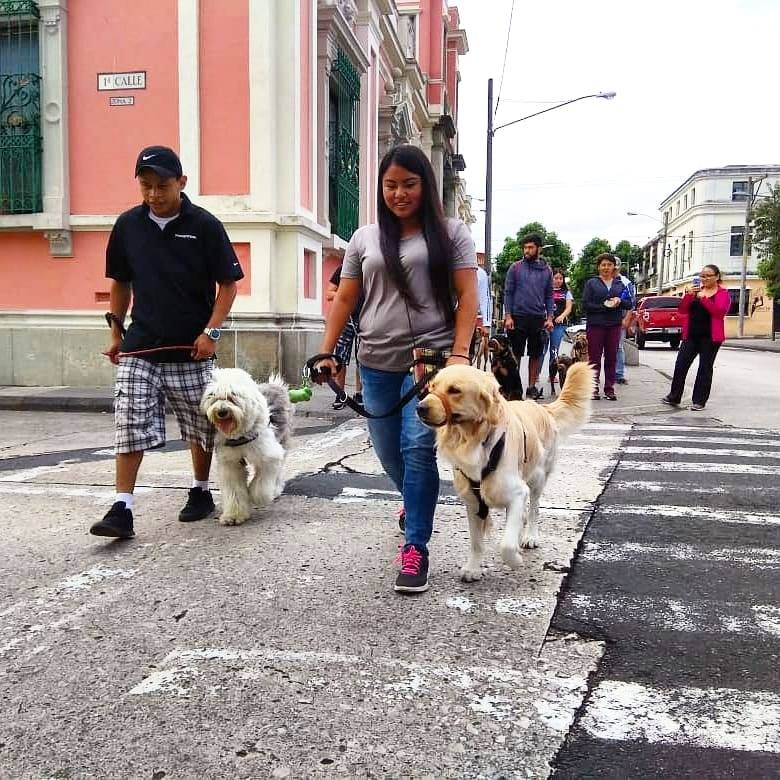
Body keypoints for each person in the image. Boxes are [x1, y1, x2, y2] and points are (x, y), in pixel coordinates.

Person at [313, 144, 478, 594]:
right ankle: (413, 501)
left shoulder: (453, 233)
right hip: (376, 361)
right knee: (387, 452)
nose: (399, 193)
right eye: (390, 185)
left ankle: (416, 547)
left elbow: (468, 297)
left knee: (417, 448)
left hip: (431, 360)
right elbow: (345, 299)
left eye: (409, 184)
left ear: (425, 185)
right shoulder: (365, 238)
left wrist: (460, 353)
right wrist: (327, 352)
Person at [90, 146, 244, 539]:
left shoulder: (205, 225)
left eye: (162, 186)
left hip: (191, 347)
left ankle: (200, 490)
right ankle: (122, 507)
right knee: (128, 421)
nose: (154, 195)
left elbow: (228, 284)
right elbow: (120, 282)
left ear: (181, 183)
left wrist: (211, 333)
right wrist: (115, 331)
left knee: (200, 426)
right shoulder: (127, 226)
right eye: (146, 186)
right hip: (140, 344)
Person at [662, 264, 730, 411]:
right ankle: (674, 396)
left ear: (717, 277)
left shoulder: (723, 293)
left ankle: (699, 401)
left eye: (708, 276)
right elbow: (682, 310)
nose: (704, 279)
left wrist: (704, 299)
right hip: (691, 335)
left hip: (710, 337)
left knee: (705, 368)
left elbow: (719, 313)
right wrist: (688, 296)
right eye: (702, 276)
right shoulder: (696, 292)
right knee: (680, 365)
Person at [503, 234, 554, 400]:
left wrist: (550, 318)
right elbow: (508, 293)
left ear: (538, 249)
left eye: (530, 247)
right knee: (515, 354)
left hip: (538, 318)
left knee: (536, 354)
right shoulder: (515, 268)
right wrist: (508, 316)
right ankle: (514, 388)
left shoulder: (547, 270)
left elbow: (549, 296)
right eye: (525, 247)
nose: (527, 250)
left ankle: (531, 387)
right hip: (517, 317)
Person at [581, 253, 632, 401]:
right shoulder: (592, 283)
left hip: (614, 325)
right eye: (603, 265)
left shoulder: (619, 284)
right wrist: (604, 306)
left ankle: (609, 388)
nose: (606, 268)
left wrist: (619, 302)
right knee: (594, 358)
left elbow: (629, 303)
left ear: (613, 267)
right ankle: (593, 388)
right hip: (596, 325)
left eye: (609, 265)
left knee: (611, 357)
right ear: (598, 267)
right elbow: (585, 304)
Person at [325, 264, 363, 410]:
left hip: (365, 318)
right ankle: (340, 394)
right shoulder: (344, 268)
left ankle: (360, 394)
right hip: (345, 320)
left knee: (362, 359)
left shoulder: (371, 266)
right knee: (340, 358)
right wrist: (346, 295)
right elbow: (329, 293)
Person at [546, 268, 573, 392]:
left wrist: (562, 316)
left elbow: (568, 308)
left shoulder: (566, 292)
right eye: (555, 278)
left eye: (560, 278)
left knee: (554, 349)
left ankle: (552, 375)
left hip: (559, 325)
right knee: (541, 350)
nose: (558, 280)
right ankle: (535, 375)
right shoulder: (545, 290)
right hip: (545, 324)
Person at [612, 259, 636, 385]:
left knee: (618, 347)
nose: (613, 270)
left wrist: (627, 319)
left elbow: (631, 303)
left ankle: (619, 374)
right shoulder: (603, 281)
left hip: (620, 318)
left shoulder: (625, 282)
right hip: (604, 318)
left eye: (615, 268)